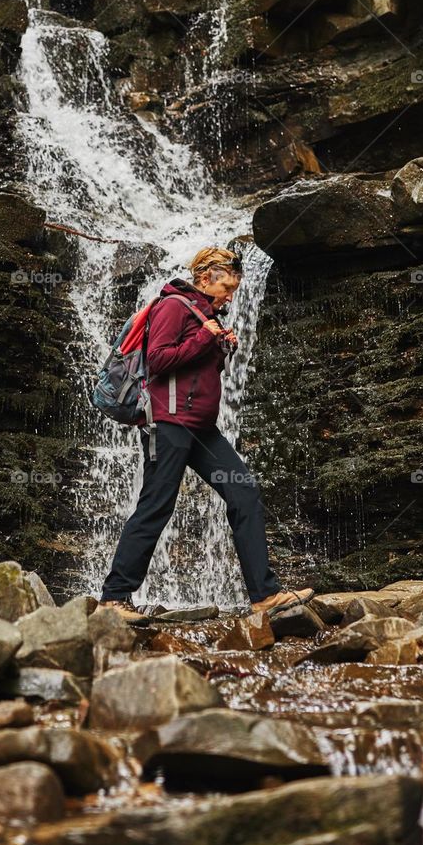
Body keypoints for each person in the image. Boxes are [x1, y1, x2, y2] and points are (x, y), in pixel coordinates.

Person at [99, 245, 314, 622]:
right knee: (156, 506)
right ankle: (114, 598)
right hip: (167, 424)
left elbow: (194, 369)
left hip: (200, 429)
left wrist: (219, 346)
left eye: (234, 289)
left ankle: (264, 595)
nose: (231, 295)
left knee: (243, 490)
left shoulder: (204, 315)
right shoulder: (173, 306)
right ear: (205, 277)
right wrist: (204, 339)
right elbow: (160, 359)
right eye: (227, 287)